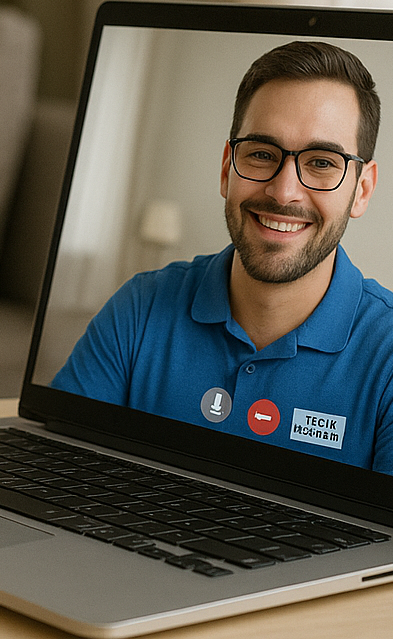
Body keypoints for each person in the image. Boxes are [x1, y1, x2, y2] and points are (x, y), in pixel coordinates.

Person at [52, 40, 393, 473]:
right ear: (226, 168)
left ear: (362, 190)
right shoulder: (140, 306)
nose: (284, 192)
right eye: (262, 154)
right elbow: (57, 469)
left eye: (322, 162)